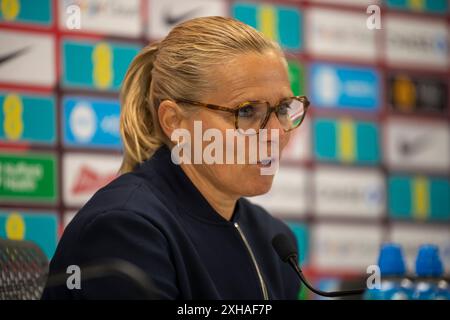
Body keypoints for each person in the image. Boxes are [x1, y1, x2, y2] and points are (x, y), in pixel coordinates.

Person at [42, 16, 310, 300]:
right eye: (245, 112)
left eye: (283, 108)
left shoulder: (273, 239)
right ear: (175, 122)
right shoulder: (125, 229)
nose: (276, 133)